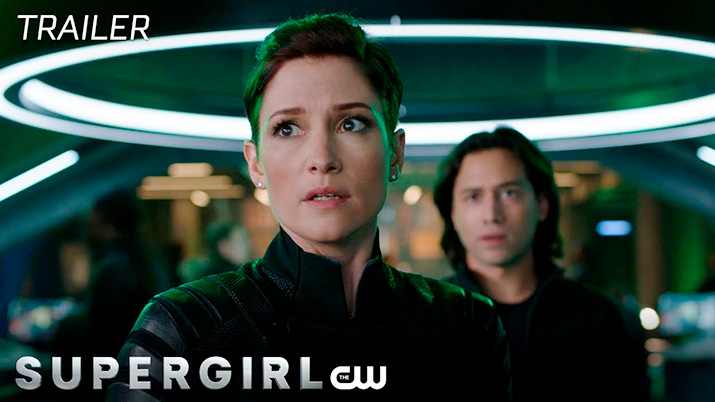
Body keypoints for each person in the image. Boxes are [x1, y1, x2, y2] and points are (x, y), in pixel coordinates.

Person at [107, 14, 510, 401]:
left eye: (351, 123)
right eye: (288, 128)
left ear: (395, 153)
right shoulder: (183, 329)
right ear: (256, 164)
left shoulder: (467, 324)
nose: (322, 158)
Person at [433, 127, 650, 402]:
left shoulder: (601, 319)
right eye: (473, 196)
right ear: (453, 213)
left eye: (509, 192)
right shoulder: (424, 320)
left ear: (542, 204)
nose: (492, 215)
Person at [177, 221, 251, 282]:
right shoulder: (230, 281)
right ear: (224, 246)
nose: (248, 245)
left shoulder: (204, 277)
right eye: (241, 241)